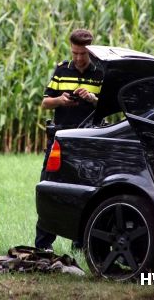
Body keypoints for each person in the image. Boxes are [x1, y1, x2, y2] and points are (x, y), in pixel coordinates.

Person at [35, 29, 104, 250]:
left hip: (89, 139)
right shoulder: (62, 70)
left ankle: (81, 242)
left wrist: (93, 99)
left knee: (88, 191)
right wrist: (61, 100)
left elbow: (109, 107)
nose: (78, 58)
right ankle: (44, 244)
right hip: (61, 138)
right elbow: (46, 102)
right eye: (74, 53)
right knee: (50, 187)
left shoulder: (102, 72)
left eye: (82, 53)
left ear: (90, 51)